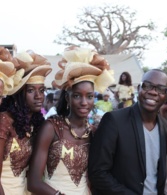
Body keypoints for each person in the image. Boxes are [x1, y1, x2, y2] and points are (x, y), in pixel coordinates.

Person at [27, 46, 115, 195]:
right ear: (67, 98)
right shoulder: (52, 127)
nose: (84, 102)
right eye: (77, 96)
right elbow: (34, 182)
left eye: (89, 96)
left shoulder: (94, 132)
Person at [88, 69, 167, 195]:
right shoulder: (114, 121)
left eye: (160, 89)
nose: (153, 92)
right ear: (138, 89)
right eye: (147, 86)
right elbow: (97, 172)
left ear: (165, 96)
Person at [0, 50, 52, 195]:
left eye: (41, 90)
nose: (38, 96)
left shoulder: (36, 125)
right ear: (19, 93)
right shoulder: (4, 121)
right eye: (31, 90)